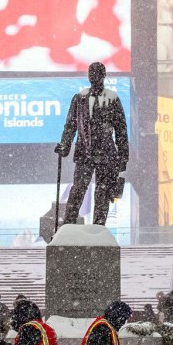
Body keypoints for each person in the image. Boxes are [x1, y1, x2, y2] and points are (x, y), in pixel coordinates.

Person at [55, 61, 129, 226]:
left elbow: (121, 130)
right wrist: (64, 146)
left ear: (103, 76)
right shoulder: (79, 98)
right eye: (90, 73)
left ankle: (99, 226)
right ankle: (68, 224)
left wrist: (123, 158)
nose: (92, 77)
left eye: (96, 73)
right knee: (78, 189)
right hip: (84, 153)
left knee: (102, 192)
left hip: (107, 154)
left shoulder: (113, 99)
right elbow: (70, 126)